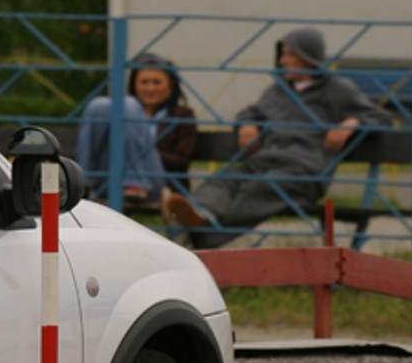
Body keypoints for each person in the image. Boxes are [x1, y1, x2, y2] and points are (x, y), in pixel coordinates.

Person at [163, 27, 390, 249]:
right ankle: (198, 213)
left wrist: (354, 123)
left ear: (308, 56)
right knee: (226, 179)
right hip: (262, 163)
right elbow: (251, 111)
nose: (282, 61)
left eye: (290, 54)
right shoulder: (277, 91)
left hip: (303, 173)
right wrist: (247, 124)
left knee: (258, 189)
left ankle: (198, 239)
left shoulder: (338, 89)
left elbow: (380, 117)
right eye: (283, 54)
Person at [76, 53, 199, 206]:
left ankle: (135, 182)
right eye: (144, 82)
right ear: (134, 84)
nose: (150, 88)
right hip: (111, 179)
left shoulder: (182, 115)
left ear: (171, 84)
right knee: (97, 104)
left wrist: (143, 151)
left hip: (158, 184)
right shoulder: (124, 111)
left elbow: (181, 160)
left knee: (127, 104)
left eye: (157, 82)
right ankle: (83, 183)